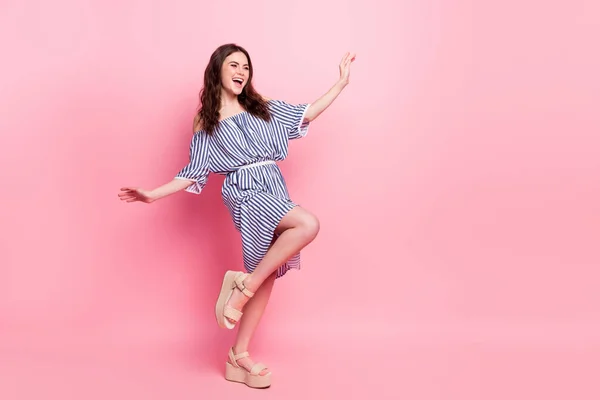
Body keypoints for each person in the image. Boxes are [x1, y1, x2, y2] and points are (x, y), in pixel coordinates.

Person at [118, 43, 355, 389]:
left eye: (246, 66)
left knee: (267, 272)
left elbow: (305, 113)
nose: (241, 71)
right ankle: (243, 286)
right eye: (233, 65)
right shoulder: (207, 122)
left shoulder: (264, 109)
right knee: (307, 223)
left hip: (273, 184)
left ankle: (238, 355)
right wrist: (153, 194)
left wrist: (340, 84)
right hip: (245, 191)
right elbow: (193, 171)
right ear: (217, 70)